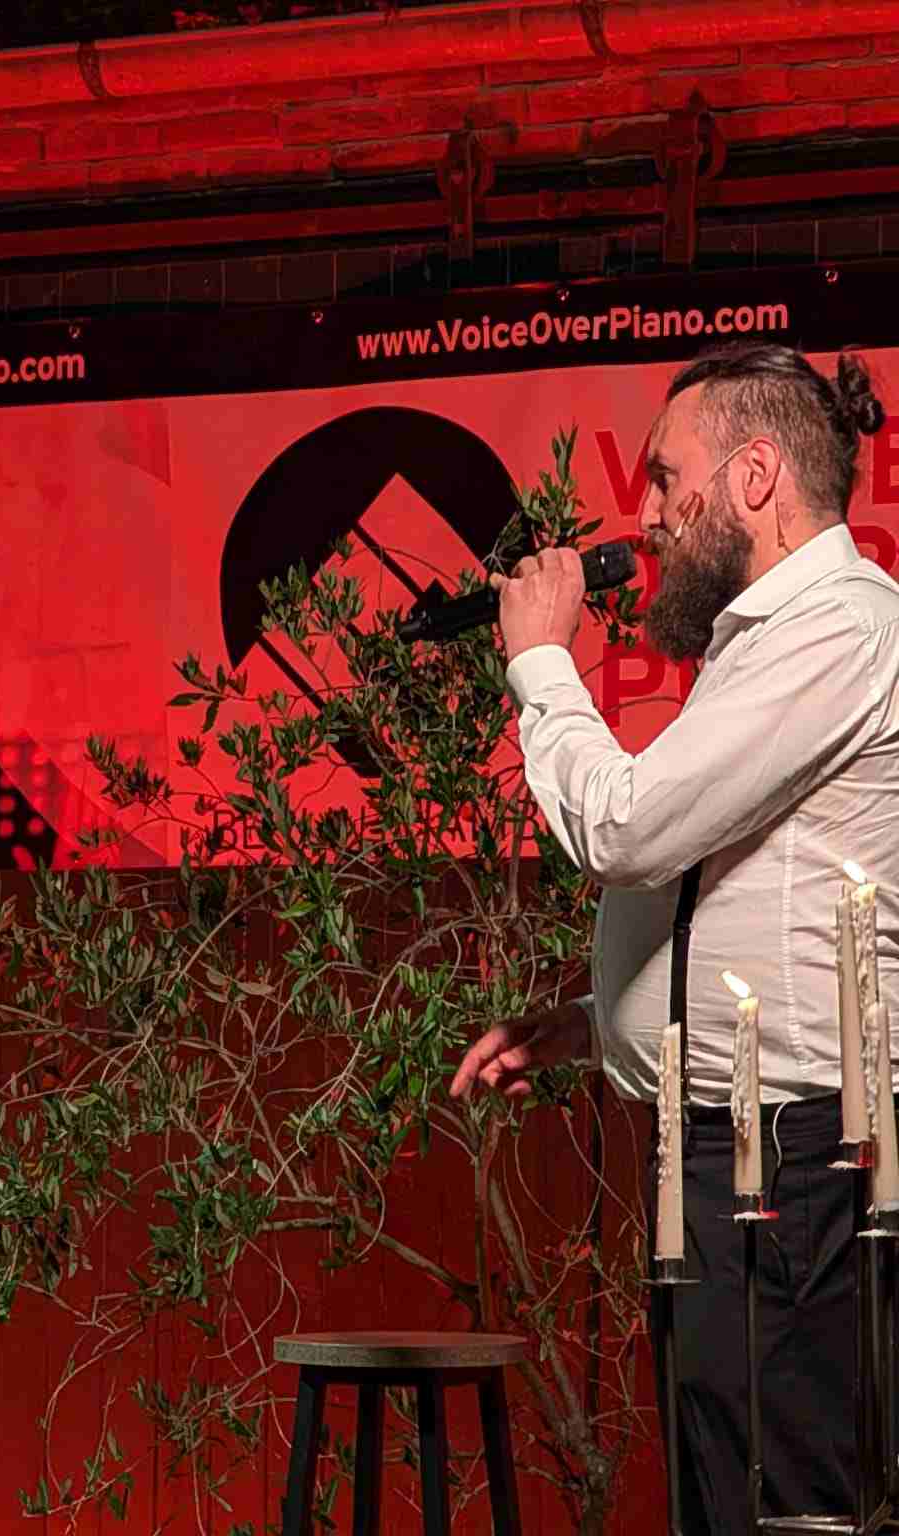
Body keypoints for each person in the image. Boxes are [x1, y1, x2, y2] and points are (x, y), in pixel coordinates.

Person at [451, 343, 896, 1534]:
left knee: (788, 1504)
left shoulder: (841, 629)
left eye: (664, 477)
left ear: (755, 475)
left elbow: (631, 829)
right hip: (737, 1151)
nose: (645, 515)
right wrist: (596, 1021)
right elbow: (743, 901)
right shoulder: (766, 641)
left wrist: (541, 660)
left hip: (799, 1156)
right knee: (722, 1494)